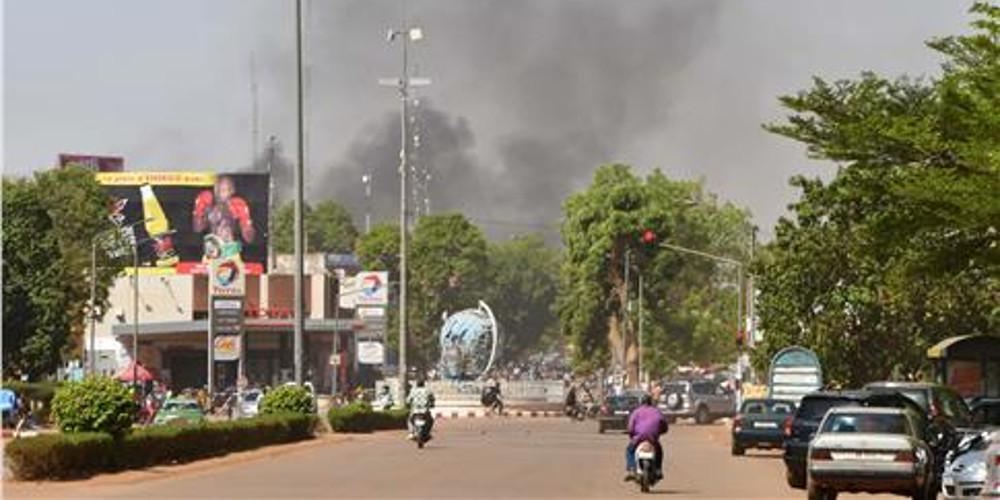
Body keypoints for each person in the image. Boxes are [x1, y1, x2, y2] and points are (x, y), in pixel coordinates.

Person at [624, 393, 669, 482]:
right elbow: (664, 425)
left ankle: (632, 468)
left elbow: (630, 427)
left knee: (629, 450)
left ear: (641, 402)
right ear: (650, 402)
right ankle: (658, 470)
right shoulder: (657, 411)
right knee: (659, 451)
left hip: (638, 438)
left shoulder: (636, 412)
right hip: (652, 438)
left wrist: (630, 434)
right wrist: (661, 431)